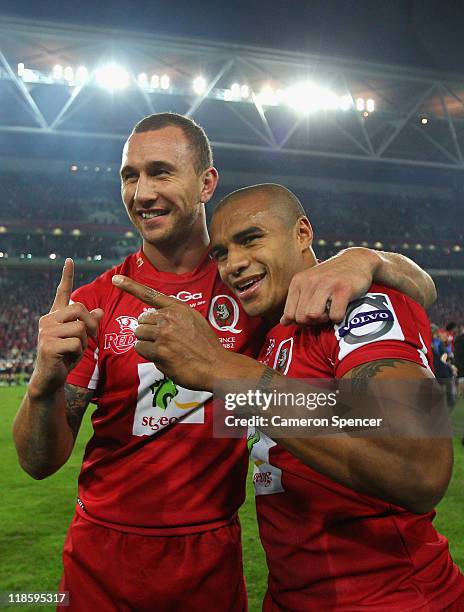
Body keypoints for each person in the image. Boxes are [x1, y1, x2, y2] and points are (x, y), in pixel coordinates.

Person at [13, 114, 437, 611]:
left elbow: (413, 293)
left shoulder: (255, 291)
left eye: (161, 172)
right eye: (130, 176)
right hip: (105, 550)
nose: (142, 192)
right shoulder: (98, 300)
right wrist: (43, 384)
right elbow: (38, 463)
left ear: (205, 182)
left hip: (211, 552)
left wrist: (368, 258)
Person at [113, 183, 464, 611]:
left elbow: (420, 468)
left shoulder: (359, 306)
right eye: (221, 253)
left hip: (393, 600)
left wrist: (224, 370)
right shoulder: (266, 333)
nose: (234, 264)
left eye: (250, 239)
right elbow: (423, 287)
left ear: (302, 234)